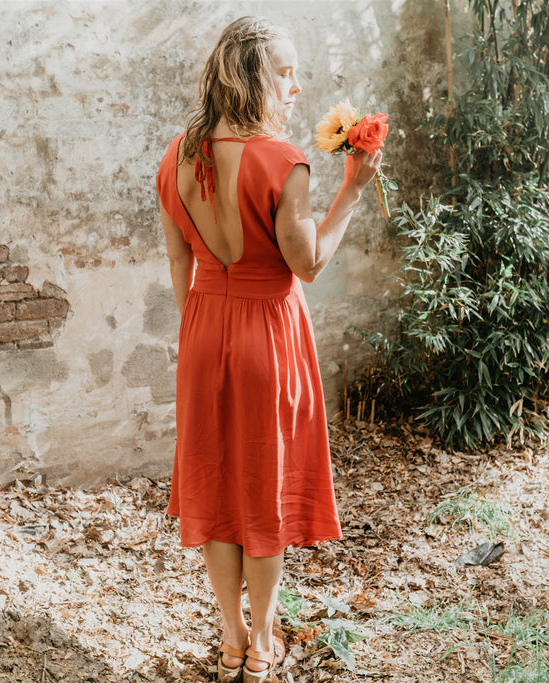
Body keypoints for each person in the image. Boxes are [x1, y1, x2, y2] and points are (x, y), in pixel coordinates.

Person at [155, 16, 381, 682]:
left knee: (217, 491)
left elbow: (177, 262)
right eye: (284, 71)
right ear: (249, 74)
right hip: (267, 337)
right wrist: (351, 190)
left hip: (203, 330)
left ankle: (229, 638)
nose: (296, 84)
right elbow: (306, 263)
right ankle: (260, 642)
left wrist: (203, 328)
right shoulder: (284, 162)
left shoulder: (175, 156)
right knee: (262, 497)